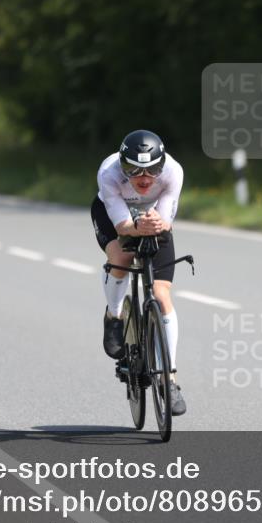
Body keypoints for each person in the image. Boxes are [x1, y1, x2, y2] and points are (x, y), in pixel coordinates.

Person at [91, 130, 187, 415]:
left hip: (154, 215)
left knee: (161, 293)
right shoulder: (108, 173)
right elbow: (122, 227)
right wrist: (135, 228)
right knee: (121, 256)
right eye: (134, 171)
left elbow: (166, 220)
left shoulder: (173, 171)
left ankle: (169, 378)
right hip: (115, 215)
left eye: (152, 171)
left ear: (162, 165)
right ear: (122, 166)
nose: (145, 179)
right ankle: (114, 315)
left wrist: (157, 223)